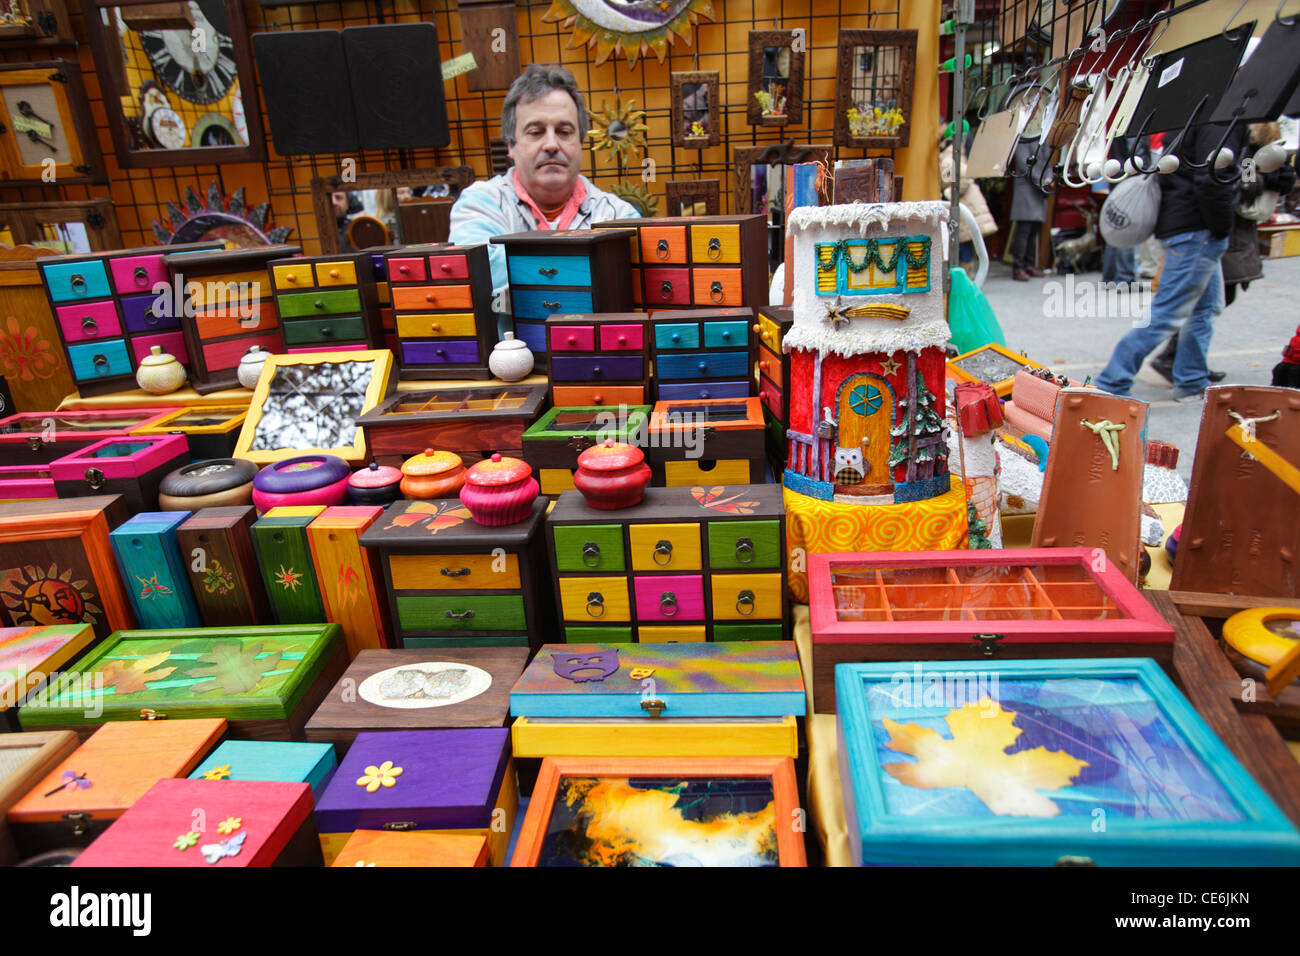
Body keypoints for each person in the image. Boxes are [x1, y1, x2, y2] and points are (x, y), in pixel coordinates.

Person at [448, 64, 640, 300]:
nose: (551, 144)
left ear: (580, 142)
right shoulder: (478, 205)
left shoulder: (619, 216)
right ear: (511, 145)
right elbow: (478, 277)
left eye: (564, 131)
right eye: (536, 132)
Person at [1094, 121, 1245, 403]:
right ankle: (1111, 382)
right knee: (1168, 312)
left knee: (1203, 309)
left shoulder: (1194, 111)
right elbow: (1213, 179)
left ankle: (1190, 381)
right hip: (1197, 228)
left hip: (1186, 224)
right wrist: (1222, 228)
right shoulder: (1221, 116)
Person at [1147, 122, 1296, 384]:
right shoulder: (1237, 142)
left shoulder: (1255, 146)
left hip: (1229, 229)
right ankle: (1178, 362)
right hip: (1222, 227)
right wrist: (1267, 177)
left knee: (1211, 301)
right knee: (1206, 302)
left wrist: (1280, 177)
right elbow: (1241, 183)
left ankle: (1185, 363)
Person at [939, 126, 996, 276]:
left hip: (965, 204)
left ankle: (965, 280)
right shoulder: (956, 153)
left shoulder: (948, 156)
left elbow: (961, 179)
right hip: (970, 204)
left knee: (963, 246)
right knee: (965, 246)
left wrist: (947, 192)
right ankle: (966, 278)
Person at [1008, 136, 1052, 280]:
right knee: (1024, 229)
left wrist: (1048, 178)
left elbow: (1048, 160)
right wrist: (1041, 180)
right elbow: (1023, 164)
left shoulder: (1044, 136)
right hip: (1027, 187)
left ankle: (1029, 264)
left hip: (1040, 186)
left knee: (1034, 229)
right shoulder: (1023, 137)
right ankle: (1018, 267)